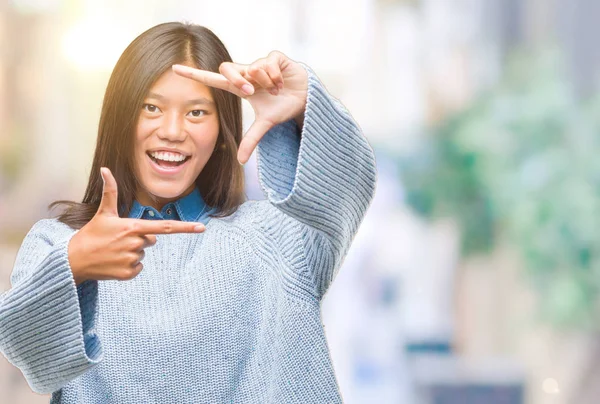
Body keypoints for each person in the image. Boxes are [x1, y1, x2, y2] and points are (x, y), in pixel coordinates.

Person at [0, 21, 377, 403]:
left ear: (221, 128)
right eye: (151, 107)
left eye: (197, 112)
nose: (173, 130)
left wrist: (304, 103)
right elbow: (34, 362)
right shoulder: (58, 243)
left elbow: (347, 193)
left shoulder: (278, 239)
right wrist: (75, 264)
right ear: (120, 118)